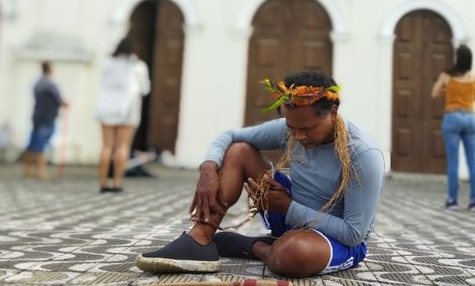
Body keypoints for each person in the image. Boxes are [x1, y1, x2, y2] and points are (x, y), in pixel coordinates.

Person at [135, 70, 385, 278]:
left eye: (308, 128)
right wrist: (208, 168)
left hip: (335, 240)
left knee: (292, 255)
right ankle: (199, 240)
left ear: (333, 112)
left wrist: (288, 207)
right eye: (292, 127)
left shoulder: (363, 154)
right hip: (287, 212)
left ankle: (256, 246)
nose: (298, 136)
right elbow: (230, 136)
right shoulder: (291, 130)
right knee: (239, 151)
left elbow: (353, 234)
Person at [94, 38, 150, 193]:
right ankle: (117, 183)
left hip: (106, 106)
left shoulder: (107, 64)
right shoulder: (138, 66)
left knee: (106, 146)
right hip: (126, 109)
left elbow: (103, 82)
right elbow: (145, 89)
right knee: (122, 146)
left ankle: (103, 182)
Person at [431, 44, 475, 210]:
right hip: (470, 118)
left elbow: (434, 93)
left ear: (457, 58)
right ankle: (474, 201)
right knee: (472, 161)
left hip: (452, 117)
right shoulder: (474, 77)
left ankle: (452, 200)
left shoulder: (447, 76)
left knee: (453, 161)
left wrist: (448, 90)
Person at [24, 61, 68, 179]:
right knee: (41, 144)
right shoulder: (50, 84)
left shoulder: (37, 83)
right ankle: (41, 171)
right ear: (50, 69)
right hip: (48, 117)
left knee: (33, 143)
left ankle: (28, 169)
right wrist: (66, 104)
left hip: (37, 116)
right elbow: (60, 100)